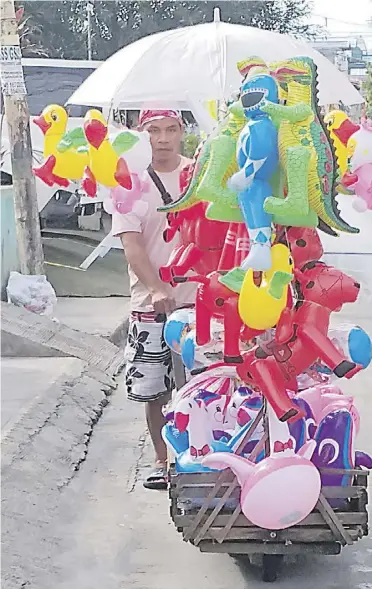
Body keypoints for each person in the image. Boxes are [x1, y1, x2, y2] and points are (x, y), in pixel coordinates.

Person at [111, 109, 195, 488]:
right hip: (150, 306)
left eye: (171, 129)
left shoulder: (201, 173)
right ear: (141, 134)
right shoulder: (128, 181)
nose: (163, 138)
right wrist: (157, 288)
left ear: (182, 132)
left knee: (202, 385)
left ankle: (201, 458)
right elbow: (131, 245)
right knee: (155, 390)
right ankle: (164, 463)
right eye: (154, 130)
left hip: (200, 302)